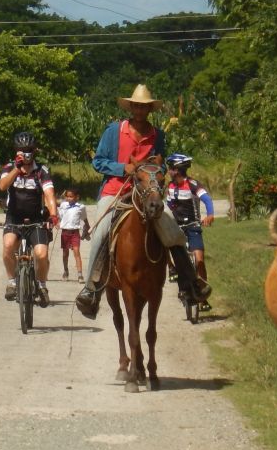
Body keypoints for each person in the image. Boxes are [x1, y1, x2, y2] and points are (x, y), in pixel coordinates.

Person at [73, 84, 210, 319]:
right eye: (136, 105)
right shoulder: (114, 131)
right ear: (131, 106)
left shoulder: (158, 135)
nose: (140, 110)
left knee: (172, 231)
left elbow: (161, 164)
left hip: (146, 193)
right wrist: (121, 167)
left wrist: (157, 170)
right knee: (100, 233)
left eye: (144, 106)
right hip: (116, 191)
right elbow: (98, 162)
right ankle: (91, 289)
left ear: (149, 109)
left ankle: (190, 284)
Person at [0, 131, 59, 305]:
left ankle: (41, 284)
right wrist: (17, 170)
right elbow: (3, 186)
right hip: (14, 217)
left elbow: (49, 194)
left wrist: (53, 214)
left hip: (36, 218)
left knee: (41, 254)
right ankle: (12, 281)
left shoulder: (42, 170)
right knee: (8, 246)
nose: (26, 154)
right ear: (16, 151)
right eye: (22, 150)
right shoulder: (9, 168)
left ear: (34, 151)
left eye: (29, 150)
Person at [165, 153, 215, 311]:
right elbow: (170, 205)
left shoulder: (193, 184)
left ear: (179, 169)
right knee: (165, 244)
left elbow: (206, 199)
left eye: (171, 168)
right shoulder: (170, 187)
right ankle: (172, 270)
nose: (169, 171)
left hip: (193, 226)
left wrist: (210, 214)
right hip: (177, 227)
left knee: (199, 260)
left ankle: (203, 296)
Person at [57, 188, 90, 281]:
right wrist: (57, 222)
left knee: (76, 252)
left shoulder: (81, 207)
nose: (68, 198)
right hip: (65, 232)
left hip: (75, 233)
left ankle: (80, 274)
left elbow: (84, 218)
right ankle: (66, 271)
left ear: (77, 197)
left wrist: (87, 227)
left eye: (71, 196)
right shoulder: (63, 205)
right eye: (67, 196)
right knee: (65, 253)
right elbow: (60, 216)